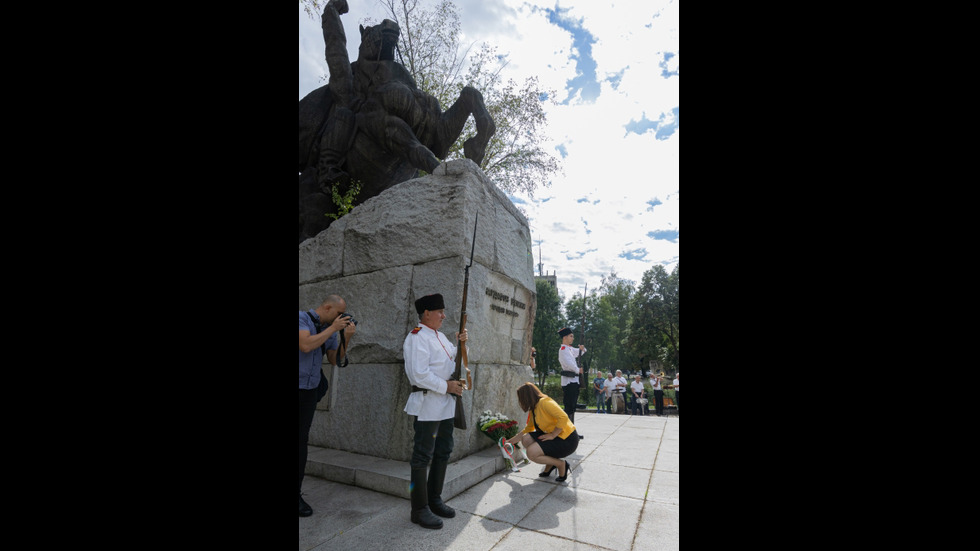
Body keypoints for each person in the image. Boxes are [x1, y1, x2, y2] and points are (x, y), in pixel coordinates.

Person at [403, 293, 468, 530]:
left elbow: (454, 363)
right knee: (422, 456)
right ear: (426, 314)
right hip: (428, 405)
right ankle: (419, 509)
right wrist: (446, 386)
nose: (444, 315)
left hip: (446, 406)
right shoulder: (417, 337)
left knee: (443, 451)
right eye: (439, 312)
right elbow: (417, 373)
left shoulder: (440, 337)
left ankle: (434, 499)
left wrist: (462, 343)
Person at [299, 294, 356, 517]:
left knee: (301, 441)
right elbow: (305, 345)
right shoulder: (302, 319)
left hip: (308, 391)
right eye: (339, 314)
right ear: (327, 306)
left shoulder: (330, 329)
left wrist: (346, 338)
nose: (341, 318)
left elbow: (335, 360)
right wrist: (333, 329)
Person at [504, 382, 579, 483]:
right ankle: (551, 464)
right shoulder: (534, 408)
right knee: (526, 439)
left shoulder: (544, 402)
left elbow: (563, 417)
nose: (520, 401)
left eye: (520, 398)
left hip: (567, 439)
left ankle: (561, 464)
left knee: (531, 453)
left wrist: (553, 435)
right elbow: (528, 429)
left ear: (526, 397)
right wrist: (508, 442)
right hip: (556, 437)